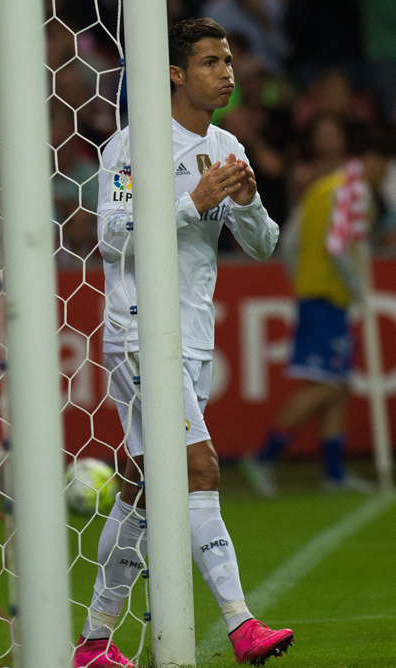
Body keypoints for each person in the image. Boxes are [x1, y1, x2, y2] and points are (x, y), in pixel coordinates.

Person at [74, 18, 294, 667]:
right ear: (175, 72)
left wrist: (248, 205)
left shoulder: (226, 145)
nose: (227, 72)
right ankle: (241, 624)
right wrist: (192, 203)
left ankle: (92, 644)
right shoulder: (131, 146)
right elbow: (112, 238)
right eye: (210, 62)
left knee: (144, 489)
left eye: (228, 60)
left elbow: (265, 244)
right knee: (200, 469)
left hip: (191, 337)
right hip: (140, 331)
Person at [242, 134, 393, 497]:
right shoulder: (352, 195)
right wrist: (357, 289)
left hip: (317, 296)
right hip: (328, 298)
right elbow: (338, 247)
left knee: (337, 385)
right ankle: (263, 457)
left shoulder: (321, 188)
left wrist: (303, 282)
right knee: (323, 384)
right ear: (372, 161)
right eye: (384, 165)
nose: (385, 173)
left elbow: (291, 243)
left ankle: (335, 473)